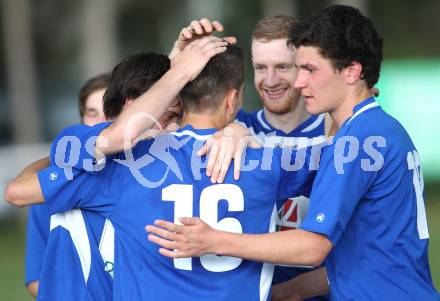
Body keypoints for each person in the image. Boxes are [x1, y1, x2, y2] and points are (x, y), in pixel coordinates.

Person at [146, 5, 440, 300]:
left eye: (309, 70)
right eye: (262, 67)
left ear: (351, 71)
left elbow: (314, 248)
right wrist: (289, 291)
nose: (299, 82)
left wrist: (214, 240)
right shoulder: (379, 129)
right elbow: (369, 257)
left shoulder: (359, 140)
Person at [7, 39, 317, 300]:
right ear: (234, 98)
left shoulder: (122, 165)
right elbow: (351, 151)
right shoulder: (268, 162)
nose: (168, 123)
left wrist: (239, 130)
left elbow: (20, 192)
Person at [7, 52, 182, 300]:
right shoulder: (78, 160)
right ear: (132, 107)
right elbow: (16, 192)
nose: (172, 128)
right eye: (166, 116)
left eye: (176, 118)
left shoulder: (164, 167)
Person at [23, 73, 111, 298]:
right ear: (81, 119)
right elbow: (36, 278)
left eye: (108, 113)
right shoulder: (54, 186)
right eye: (92, 113)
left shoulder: (147, 178)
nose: (100, 123)